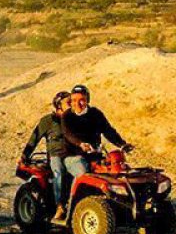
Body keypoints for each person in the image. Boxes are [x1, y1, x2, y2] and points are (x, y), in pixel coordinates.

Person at [19, 90, 72, 221]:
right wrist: (24, 155)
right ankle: (60, 206)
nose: (72, 105)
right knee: (59, 172)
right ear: (59, 105)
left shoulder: (74, 120)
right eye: (69, 102)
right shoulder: (48, 121)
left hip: (73, 156)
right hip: (56, 156)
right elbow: (34, 138)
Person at [62, 86, 133, 181]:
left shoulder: (95, 113)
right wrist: (80, 144)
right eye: (74, 100)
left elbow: (108, 130)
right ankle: (75, 191)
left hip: (95, 156)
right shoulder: (67, 116)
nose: (77, 104)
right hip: (73, 156)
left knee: (119, 172)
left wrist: (122, 144)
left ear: (87, 100)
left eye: (81, 100)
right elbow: (68, 134)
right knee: (84, 174)